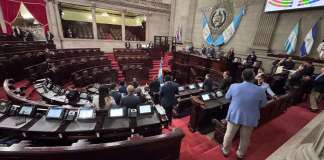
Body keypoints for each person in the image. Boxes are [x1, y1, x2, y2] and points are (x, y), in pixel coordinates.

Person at [221, 69, 267, 159]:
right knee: (245, 138)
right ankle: (240, 154)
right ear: (254, 78)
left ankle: (225, 151)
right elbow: (263, 104)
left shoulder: (234, 86)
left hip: (234, 115)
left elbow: (227, 97)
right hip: (250, 117)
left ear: (242, 76)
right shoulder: (260, 90)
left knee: (229, 135)